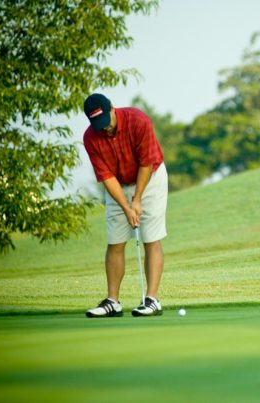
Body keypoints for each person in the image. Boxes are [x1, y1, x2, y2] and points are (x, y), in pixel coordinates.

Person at [82, 93, 168, 317]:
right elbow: (107, 176)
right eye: (98, 125)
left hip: (149, 180)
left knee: (150, 238)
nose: (105, 129)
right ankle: (113, 302)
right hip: (117, 186)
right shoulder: (91, 137)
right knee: (115, 242)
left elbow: (146, 163)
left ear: (112, 108)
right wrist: (126, 207)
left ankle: (151, 300)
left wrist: (137, 199)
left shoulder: (138, 121)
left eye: (106, 122)